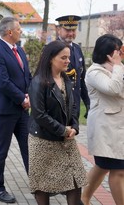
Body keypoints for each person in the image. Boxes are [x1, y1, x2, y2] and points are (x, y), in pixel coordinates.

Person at [28, 40, 87, 205]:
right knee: (43, 185)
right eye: (63, 57)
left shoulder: (66, 79)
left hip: (66, 140)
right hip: (43, 141)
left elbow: (73, 105)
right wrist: (63, 130)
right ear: (50, 59)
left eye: (68, 57)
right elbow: (39, 114)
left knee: (75, 180)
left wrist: (74, 127)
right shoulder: (39, 82)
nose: (68, 61)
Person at [0, 17, 31, 203]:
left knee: (29, 148)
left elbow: (26, 76)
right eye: (19, 29)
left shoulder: (19, 50)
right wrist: (22, 98)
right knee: (1, 150)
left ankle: (38, 183)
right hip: (5, 110)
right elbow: (2, 81)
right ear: (10, 32)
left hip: (22, 110)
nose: (21, 32)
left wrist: (28, 95)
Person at [81, 34, 124, 205]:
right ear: (108, 53)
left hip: (117, 129)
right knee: (119, 170)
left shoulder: (115, 70)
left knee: (103, 166)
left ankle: (84, 198)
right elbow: (113, 89)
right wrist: (119, 66)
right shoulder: (94, 71)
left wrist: (118, 67)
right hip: (105, 129)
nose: (120, 54)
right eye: (118, 51)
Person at [55, 15, 90, 118]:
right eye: (67, 30)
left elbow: (81, 78)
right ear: (59, 30)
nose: (71, 33)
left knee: (72, 133)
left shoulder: (77, 49)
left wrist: (87, 101)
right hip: (58, 104)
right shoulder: (52, 49)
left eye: (73, 30)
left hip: (75, 104)